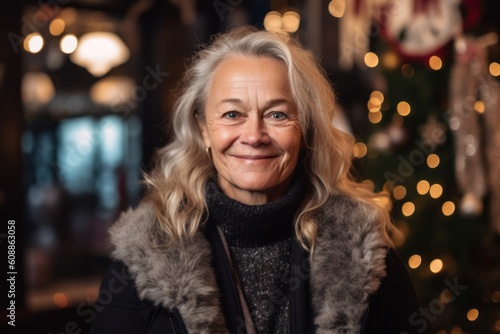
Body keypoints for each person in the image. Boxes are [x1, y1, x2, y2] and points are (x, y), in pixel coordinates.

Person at [91, 26, 422, 334]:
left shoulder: (362, 249)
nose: (254, 136)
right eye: (232, 114)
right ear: (203, 129)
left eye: (277, 114)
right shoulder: (147, 253)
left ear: (305, 128)